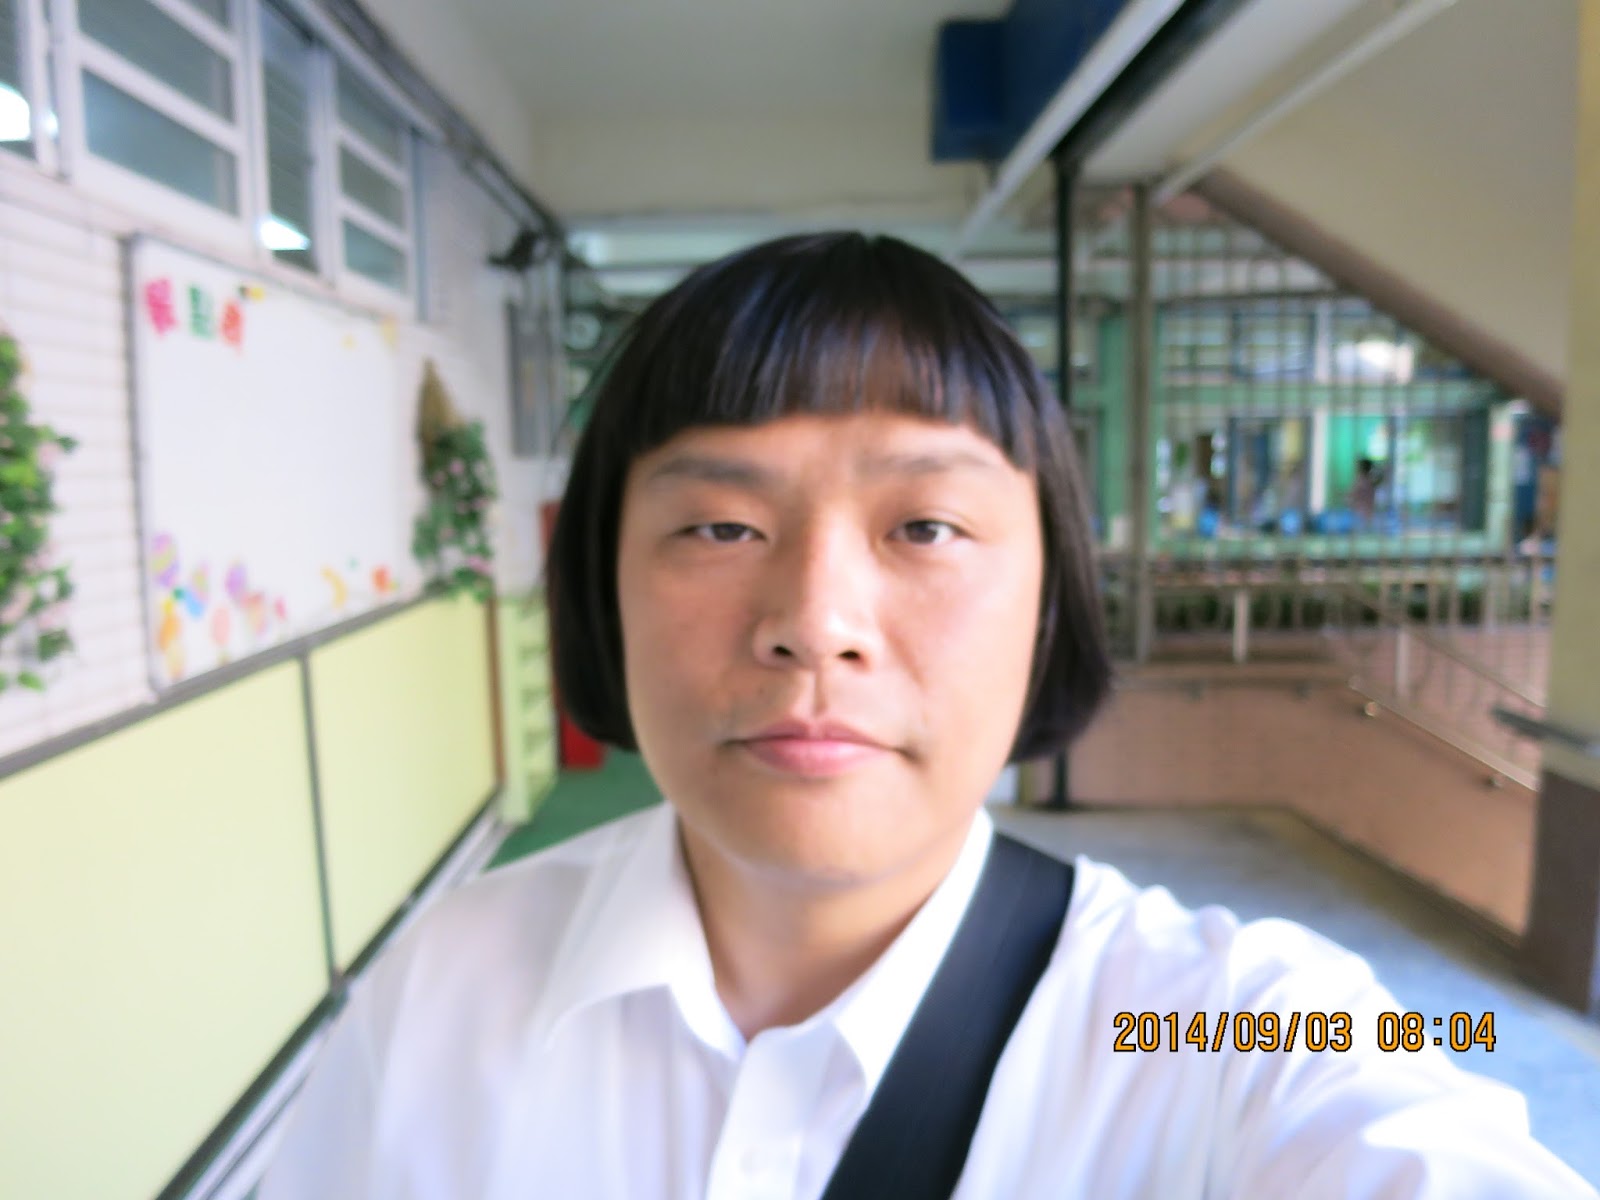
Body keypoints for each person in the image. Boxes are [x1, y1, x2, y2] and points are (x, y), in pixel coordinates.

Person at [257, 233, 1595, 1199]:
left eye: (928, 526)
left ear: (1049, 603)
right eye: (719, 525)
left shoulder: (1223, 1022)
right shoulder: (440, 992)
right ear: (601, 586)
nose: (814, 619)